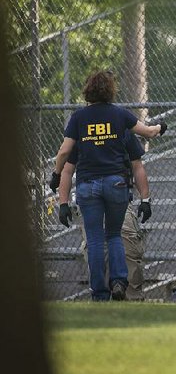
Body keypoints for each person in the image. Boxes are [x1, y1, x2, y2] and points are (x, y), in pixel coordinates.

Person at [51, 70, 165, 301]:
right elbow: (149, 133)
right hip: (116, 183)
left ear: (88, 91)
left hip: (88, 185)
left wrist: (58, 186)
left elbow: (65, 155)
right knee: (113, 235)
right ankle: (119, 282)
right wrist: (161, 127)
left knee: (93, 239)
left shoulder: (79, 118)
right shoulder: (120, 115)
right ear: (111, 90)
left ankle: (99, 292)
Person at [61, 130, 152, 301]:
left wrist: (145, 198)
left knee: (126, 244)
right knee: (96, 244)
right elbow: (67, 166)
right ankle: (102, 296)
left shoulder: (120, 123)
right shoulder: (81, 124)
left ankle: (128, 297)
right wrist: (63, 202)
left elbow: (137, 164)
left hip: (117, 198)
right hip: (101, 196)